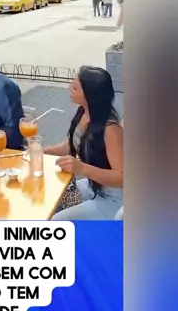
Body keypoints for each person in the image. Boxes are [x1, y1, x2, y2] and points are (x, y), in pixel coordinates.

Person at [44, 65, 123, 219]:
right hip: (94, 186)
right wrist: (44, 151)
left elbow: (122, 178)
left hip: (113, 199)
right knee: (53, 196)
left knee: (58, 220)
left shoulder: (111, 129)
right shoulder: (84, 112)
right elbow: (73, 143)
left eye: (75, 88)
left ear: (90, 95)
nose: (69, 89)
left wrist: (81, 168)